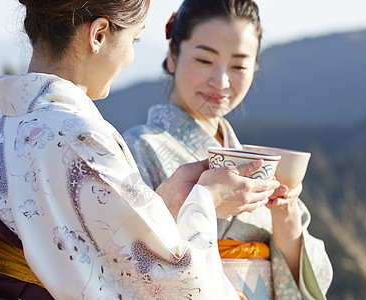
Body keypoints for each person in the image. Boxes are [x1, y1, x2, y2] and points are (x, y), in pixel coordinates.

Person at [0, 0, 283, 299]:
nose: (130, 57)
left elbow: (97, 250)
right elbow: (175, 287)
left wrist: (167, 202)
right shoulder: (78, 136)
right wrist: (206, 202)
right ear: (98, 34)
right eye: (134, 39)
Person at [123, 0, 333, 299]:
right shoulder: (136, 148)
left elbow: (313, 283)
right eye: (205, 60)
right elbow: (122, 258)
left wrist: (285, 210)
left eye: (238, 66)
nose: (221, 81)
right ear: (172, 56)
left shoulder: (254, 162)